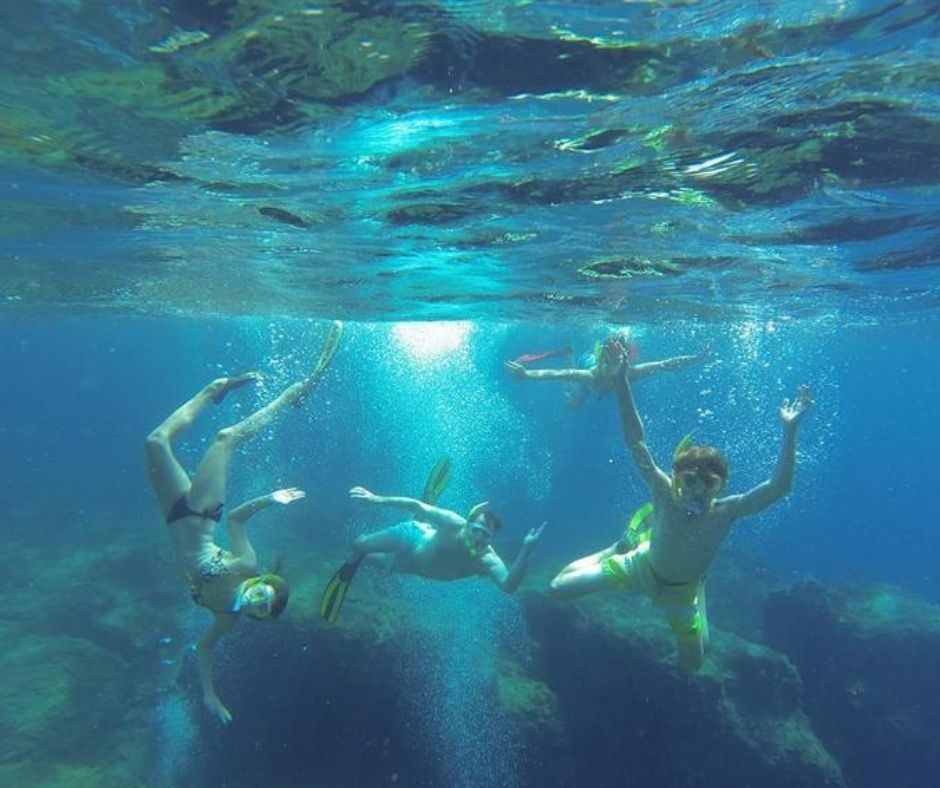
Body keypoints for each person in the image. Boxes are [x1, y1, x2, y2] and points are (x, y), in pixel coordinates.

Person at [549, 341, 813, 671]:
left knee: (694, 663)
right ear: (676, 479)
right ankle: (614, 547)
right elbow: (637, 443)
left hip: (682, 591)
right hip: (639, 567)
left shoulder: (726, 511)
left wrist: (790, 431)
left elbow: (779, 487)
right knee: (557, 588)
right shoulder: (664, 493)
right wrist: (621, 383)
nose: (697, 491)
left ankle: (701, 590)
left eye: (709, 485)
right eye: (690, 480)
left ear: (722, 487)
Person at [145, 321, 342, 722]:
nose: (257, 602)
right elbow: (235, 519)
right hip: (202, 513)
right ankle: (290, 394)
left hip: (173, 519)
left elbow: (204, 650)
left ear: (257, 617)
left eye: (261, 609)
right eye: (263, 596)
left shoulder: (225, 618)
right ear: (260, 583)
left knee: (155, 442)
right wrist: (270, 499)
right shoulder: (246, 567)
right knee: (226, 438)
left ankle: (212, 390)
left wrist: (210, 697)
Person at [320, 488, 545, 623]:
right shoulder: (454, 523)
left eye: (485, 535)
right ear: (468, 524)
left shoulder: (488, 560)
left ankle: (362, 557)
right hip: (411, 536)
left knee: (372, 560)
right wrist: (377, 499)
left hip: (410, 566)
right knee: (359, 545)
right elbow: (417, 505)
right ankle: (358, 545)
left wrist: (525, 550)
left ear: (491, 540)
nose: (478, 537)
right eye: (476, 529)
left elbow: (508, 586)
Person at [505, 331, 710, 409]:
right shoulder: (591, 375)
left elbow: (666, 364)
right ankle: (568, 355)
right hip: (587, 363)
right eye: (612, 358)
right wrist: (526, 375)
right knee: (572, 403)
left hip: (598, 376)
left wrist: (696, 358)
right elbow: (558, 374)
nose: (617, 364)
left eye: (620, 358)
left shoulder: (631, 372)